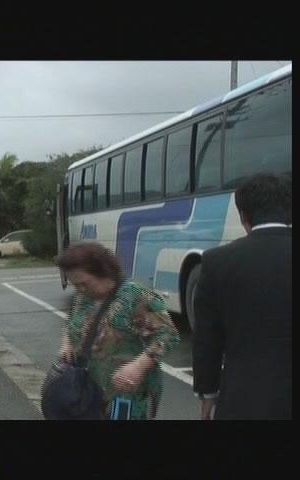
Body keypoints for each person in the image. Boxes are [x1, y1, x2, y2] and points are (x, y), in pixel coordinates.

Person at [193, 173, 291, 420]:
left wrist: (208, 392)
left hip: (245, 398)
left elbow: (207, 339)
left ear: (243, 216)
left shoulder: (217, 261)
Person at [56, 242, 180, 420]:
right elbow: (71, 322)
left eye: (84, 283)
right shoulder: (84, 297)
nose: (81, 289)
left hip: (126, 393)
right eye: (76, 285)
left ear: (102, 272)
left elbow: (168, 335)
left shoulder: (134, 295)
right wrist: (67, 343)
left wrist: (137, 367)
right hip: (88, 391)